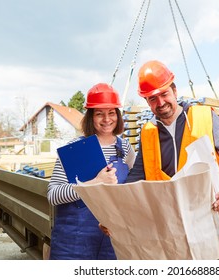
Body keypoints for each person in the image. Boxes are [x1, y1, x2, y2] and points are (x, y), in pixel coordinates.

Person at [126, 60, 219, 212]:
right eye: (153, 99)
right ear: (146, 101)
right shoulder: (148, 131)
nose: (160, 103)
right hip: (167, 215)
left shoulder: (203, 117)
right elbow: (138, 173)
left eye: (164, 94)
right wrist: (116, 210)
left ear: (175, 91)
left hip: (205, 211)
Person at [47, 82, 136, 260]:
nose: (106, 119)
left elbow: (135, 188)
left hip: (112, 238)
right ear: (90, 116)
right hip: (74, 240)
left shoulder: (126, 148)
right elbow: (53, 195)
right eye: (99, 114)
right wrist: (95, 183)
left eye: (111, 113)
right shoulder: (74, 149)